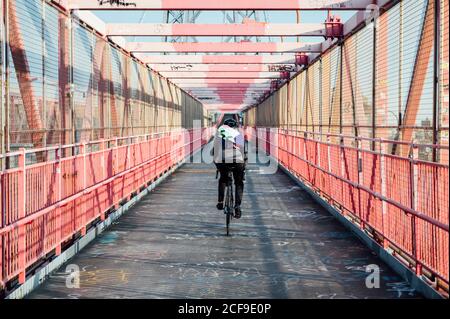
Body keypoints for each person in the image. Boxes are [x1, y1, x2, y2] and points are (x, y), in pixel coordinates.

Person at [211, 117, 246, 218]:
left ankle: (221, 202)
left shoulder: (219, 134)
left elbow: (215, 151)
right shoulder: (238, 134)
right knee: (239, 182)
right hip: (238, 161)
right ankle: (237, 207)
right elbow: (243, 151)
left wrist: (217, 164)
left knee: (223, 179)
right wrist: (243, 166)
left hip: (223, 161)